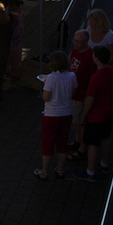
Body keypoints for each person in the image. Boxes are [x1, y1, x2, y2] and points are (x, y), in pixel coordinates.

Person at [75, 45, 113, 182]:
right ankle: (104, 164)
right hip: (109, 112)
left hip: (96, 116)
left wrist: (83, 115)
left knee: (92, 143)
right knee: (106, 138)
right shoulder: (112, 72)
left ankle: (90, 172)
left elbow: (90, 99)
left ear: (97, 59)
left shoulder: (95, 77)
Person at [34, 50, 77, 181]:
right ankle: (60, 169)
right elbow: (73, 92)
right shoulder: (72, 76)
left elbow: (46, 97)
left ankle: (44, 171)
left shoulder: (51, 78)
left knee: (48, 143)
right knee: (62, 143)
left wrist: (45, 86)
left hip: (51, 114)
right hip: (66, 113)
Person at [67, 29, 97, 157]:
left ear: (86, 42)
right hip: (74, 93)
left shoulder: (90, 56)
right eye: (75, 41)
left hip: (82, 94)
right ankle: (77, 140)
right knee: (76, 120)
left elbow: (93, 77)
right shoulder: (75, 51)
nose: (76, 44)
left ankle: (82, 147)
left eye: (79, 42)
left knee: (81, 122)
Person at [5, 0, 24, 85]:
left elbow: (11, 28)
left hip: (14, 41)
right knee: (15, 61)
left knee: (13, 63)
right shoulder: (20, 12)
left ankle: (12, 83)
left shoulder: (14, 16)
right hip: (18, 41)